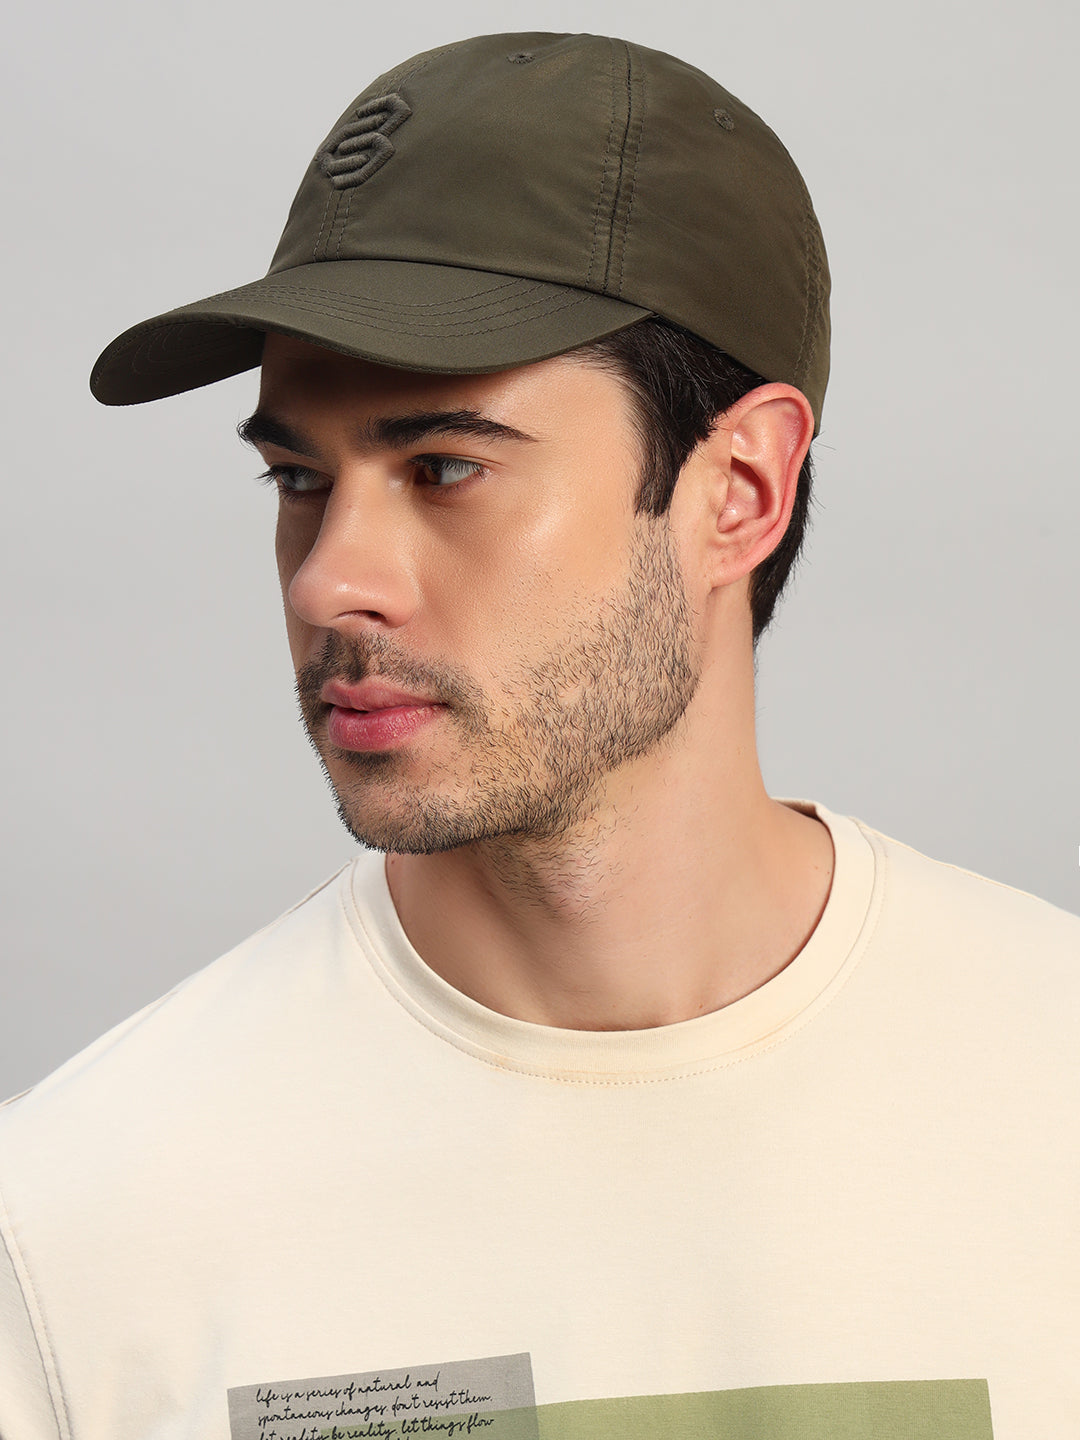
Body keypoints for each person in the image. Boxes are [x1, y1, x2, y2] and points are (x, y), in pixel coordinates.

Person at [0, 30, 1075, 1440]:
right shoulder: (76, 1227)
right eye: (298, 480)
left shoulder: (1049, 1092)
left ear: (740, 490)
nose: (328, 583)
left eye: (444, 467)